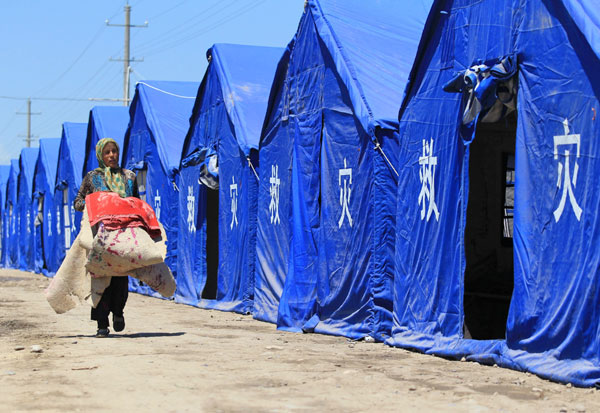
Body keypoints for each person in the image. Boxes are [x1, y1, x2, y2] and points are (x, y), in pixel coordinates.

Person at [74, 138, 139, 337]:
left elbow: (136, 202)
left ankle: (118, 312)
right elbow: (77, 201)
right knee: (100, 278)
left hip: (123, 236)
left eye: (114, 151)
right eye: (107, 152)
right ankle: (102, 323)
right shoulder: (92, 178)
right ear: (100, 156)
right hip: (99, 237)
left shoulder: (129, 177)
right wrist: (92, 205)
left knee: (120, 278)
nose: (111, 155)